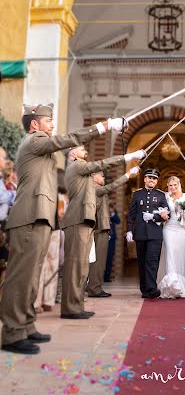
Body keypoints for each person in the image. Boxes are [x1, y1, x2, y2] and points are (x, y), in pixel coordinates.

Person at [0, 103, 126, 355]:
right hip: (29, 217)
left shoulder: (41, 150)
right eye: (48, 121)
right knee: (21, 277)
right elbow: (66, 140)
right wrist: (104, 126)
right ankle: (12, 333)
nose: (52, 124)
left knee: (32, 276)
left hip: (40, 217)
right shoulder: (34, 140)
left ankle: (25, 325)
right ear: (34, 124)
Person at [61, 145, 144, 318]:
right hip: (77, 220)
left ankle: (75, 307)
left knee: (81, 267)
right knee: (76, 266)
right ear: (72, 153)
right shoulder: (77, 165)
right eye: (81, 148)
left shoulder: (83, 177)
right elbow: (102, 166)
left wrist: (128, 174)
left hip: (82, 221)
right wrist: (129, 158)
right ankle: (71, 308)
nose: (86, 150)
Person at [87, 166, 140, 297]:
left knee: (101, 260)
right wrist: (127, 175)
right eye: (102, 176)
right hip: (99, 229)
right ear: (95, 177)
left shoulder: (97, 190)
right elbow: (112, 186)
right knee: (98, 261)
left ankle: (96, 287)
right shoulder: (96, 188)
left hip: (102, 228)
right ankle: (94, 288)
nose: (104, 178)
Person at [126, 168, 169, 299]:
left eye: (154, 178)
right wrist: (129, 230)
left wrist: (154, 217)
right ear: (145, 179)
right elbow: (131, 214)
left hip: (155, 234)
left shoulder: (161, 195)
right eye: (149, 177)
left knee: (152, 260)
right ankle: (144, 289)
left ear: (157, 181)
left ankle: (151, 287)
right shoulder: (137, 194)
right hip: (140, 232)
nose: (152, 180)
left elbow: (168, 215)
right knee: (142, 261)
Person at [157, 176, 185, 298]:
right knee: (169, 253)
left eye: (175, 185)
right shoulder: (164, 197)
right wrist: (161, 214)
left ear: (179, 184)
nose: (173, 187)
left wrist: (184, 215)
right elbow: (160, 210)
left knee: (180, 256)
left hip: (181, 230)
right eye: (170, 185)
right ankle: (171, 286)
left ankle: (181, 284)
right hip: (168, 228)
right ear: (167, 186)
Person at [104, 203, 121, 282]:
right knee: (101, 258)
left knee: (109, 258)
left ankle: (107, 277)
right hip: (102, 237)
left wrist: (112, 213)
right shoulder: (102, 212)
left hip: (111, 238)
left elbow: (118, 221)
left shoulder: (114, 213)